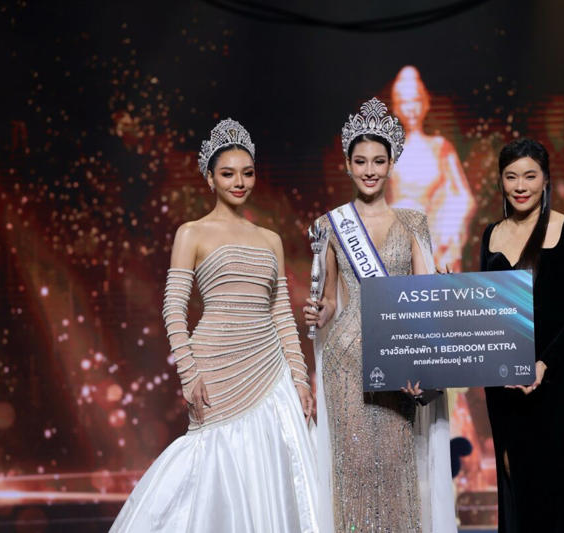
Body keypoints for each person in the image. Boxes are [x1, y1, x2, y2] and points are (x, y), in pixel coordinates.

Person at [111, 118, 320, 533]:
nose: (239, 182)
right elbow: (173, 308)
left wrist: (299, 379)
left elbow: (281, 313)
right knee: (212, 463)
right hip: (216, 367)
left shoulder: (270, 239)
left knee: (275, 466)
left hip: (271, 368)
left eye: (247, 173)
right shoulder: (191, 233)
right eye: (228, 174)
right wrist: (189, 373)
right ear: (210, 178)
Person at [303, 98, 456, 532]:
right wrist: (319, 311)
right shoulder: (331, 224)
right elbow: (330, 300)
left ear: (391, 164)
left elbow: (425, 295)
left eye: (378, 161)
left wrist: (446, 291)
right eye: (360, 161)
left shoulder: (413, 221)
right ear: (347, 165)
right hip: (346, 361)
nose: (369, 170)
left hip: (395, 362)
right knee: (352, 470)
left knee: (395, 467)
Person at [479, 138, 564, 532]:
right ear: (501, 181)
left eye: (530, 176)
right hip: (504, 383)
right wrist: (454, 292)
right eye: (511, 176)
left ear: (546, 179)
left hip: (556, 379)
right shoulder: (491, 235)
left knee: (555, 486)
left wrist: (545, 362)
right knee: (516, 482)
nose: (520, 186)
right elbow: (489, 310)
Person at [388, 65, 475, 272]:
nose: (411, 108)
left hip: (438, 243)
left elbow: (464, 198)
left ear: (425, 103)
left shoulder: (440, 147)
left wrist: (447, 233)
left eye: (416, 100)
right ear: (396, 108)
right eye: (404, 102)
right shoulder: (390, 153)